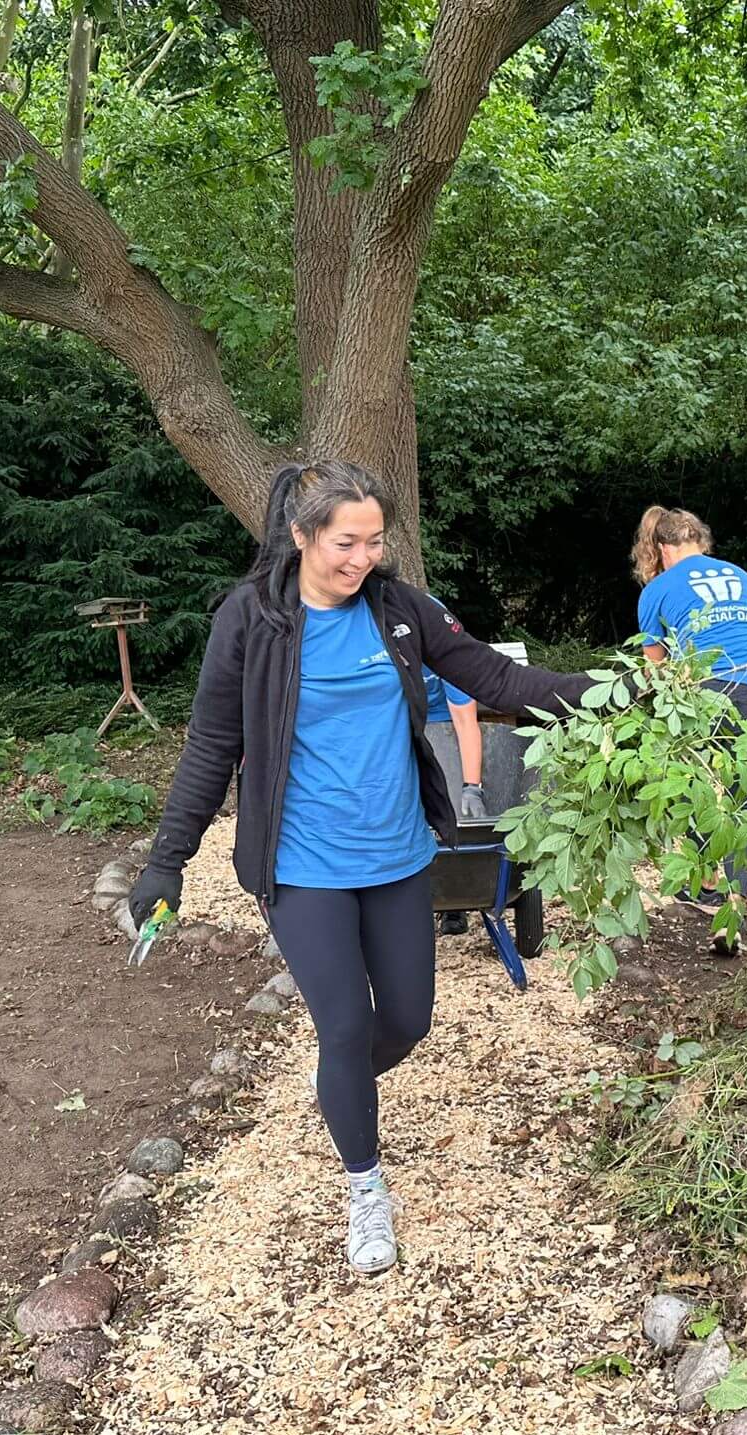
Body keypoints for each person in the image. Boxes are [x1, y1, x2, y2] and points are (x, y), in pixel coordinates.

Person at [125, 462, 595, 1276]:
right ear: (303, 535)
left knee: (406, 1022)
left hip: (398, 855)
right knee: (344, 1025)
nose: (363, 558)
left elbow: (496, 677)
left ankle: (339, 1084)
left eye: (375, 542)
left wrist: (609, 693)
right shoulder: (253, 618)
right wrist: (168, 861)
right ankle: (365, 1185)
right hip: (303, 863)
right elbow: (211, 745)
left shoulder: (400, 610)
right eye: (347, 542)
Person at [631, 506, 747, 953]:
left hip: (704, 691)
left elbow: (655, 671)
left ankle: (702, 878)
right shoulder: (743, 577)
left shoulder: (657, 589)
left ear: (662, 548)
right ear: (701, 542)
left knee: (690, 781)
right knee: (743, 797)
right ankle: (732, 914)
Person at [422, 660, 486, 936]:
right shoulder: (378, 645)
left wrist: (472, 787)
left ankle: (452, 895)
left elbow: (465, 721)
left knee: (448, 797)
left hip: (443, 722)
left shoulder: (442, 645)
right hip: (395, 719)